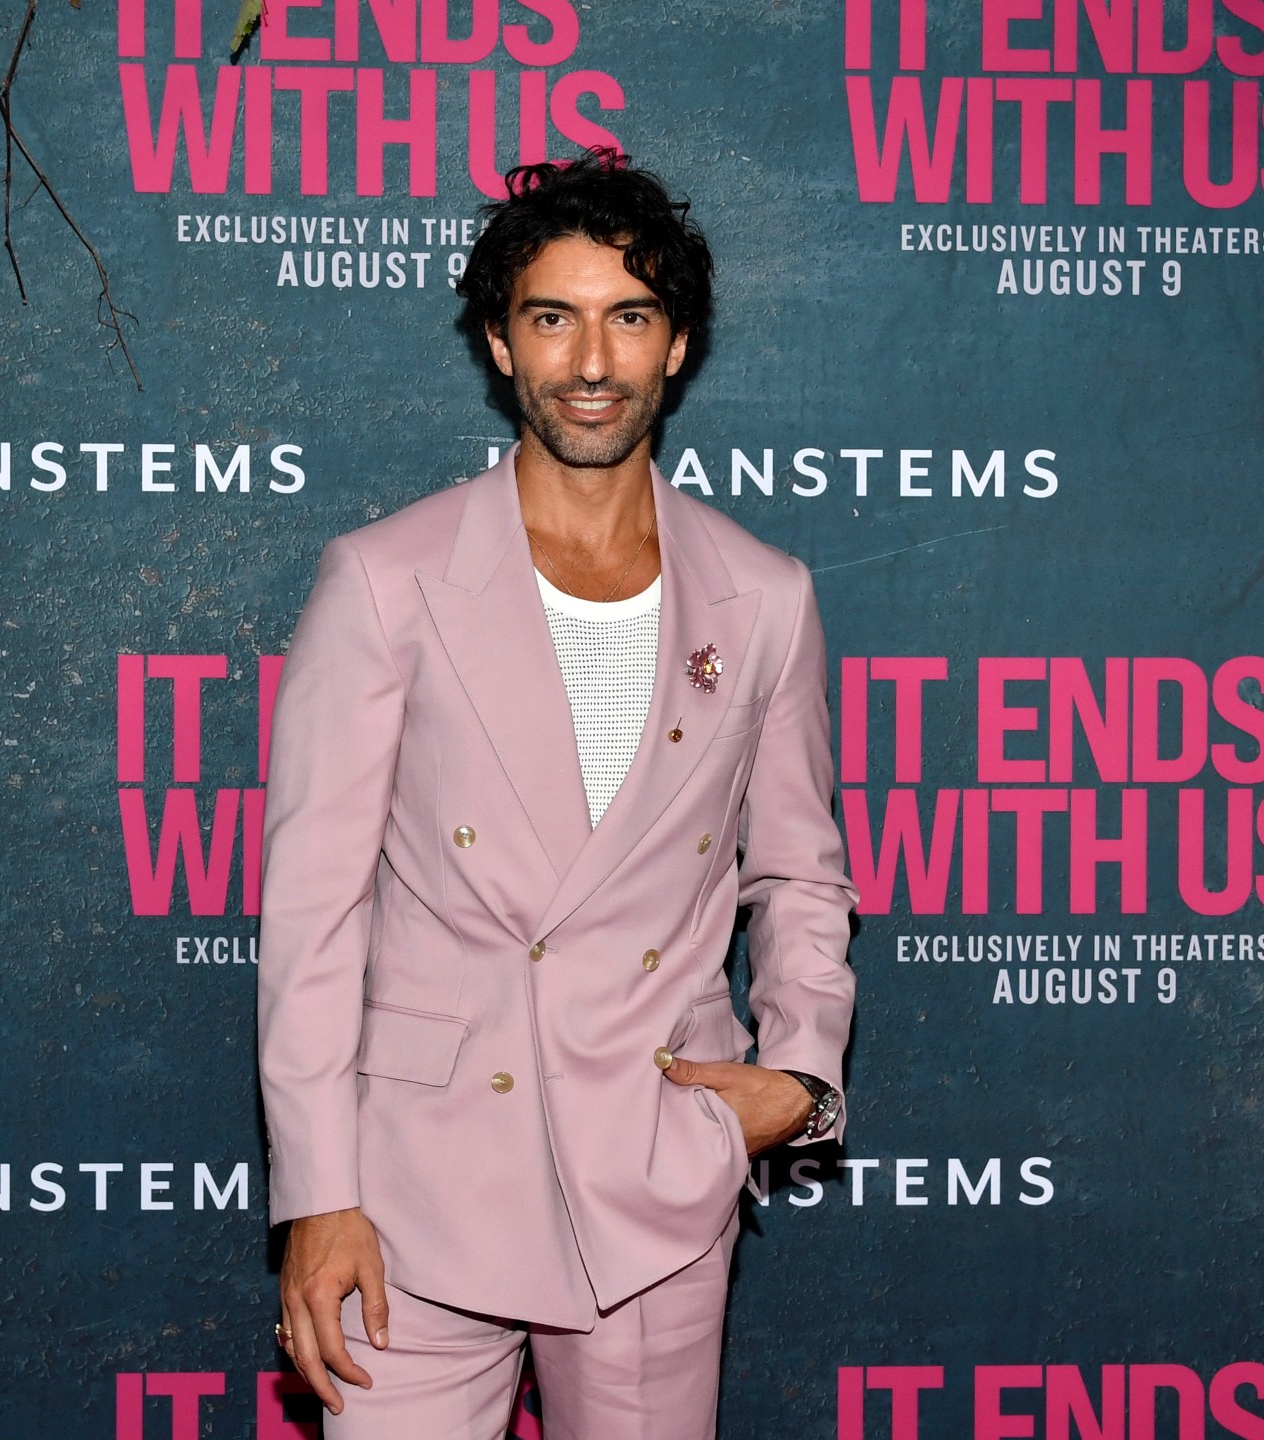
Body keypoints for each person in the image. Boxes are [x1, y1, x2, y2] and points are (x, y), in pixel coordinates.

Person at [254, 149, 859, 1439]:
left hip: (653, 1173)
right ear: (498, 339)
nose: (592, 362)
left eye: (628, 317)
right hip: (412, 1193)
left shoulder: (768, 597)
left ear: (678, 343)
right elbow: (312, 914)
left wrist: (799, 1079)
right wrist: (316, 1193)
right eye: (553, 316)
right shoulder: (385, 579)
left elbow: (801, 869)